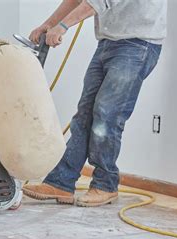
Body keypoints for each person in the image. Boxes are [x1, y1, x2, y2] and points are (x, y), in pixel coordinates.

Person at [23, 0, 167, 207]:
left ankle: (105, 184)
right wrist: (49, 23)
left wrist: (62, 26)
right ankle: (61, 183)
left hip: (138, 44)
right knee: (85, 115)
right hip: (109, 43)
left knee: (107, 115)